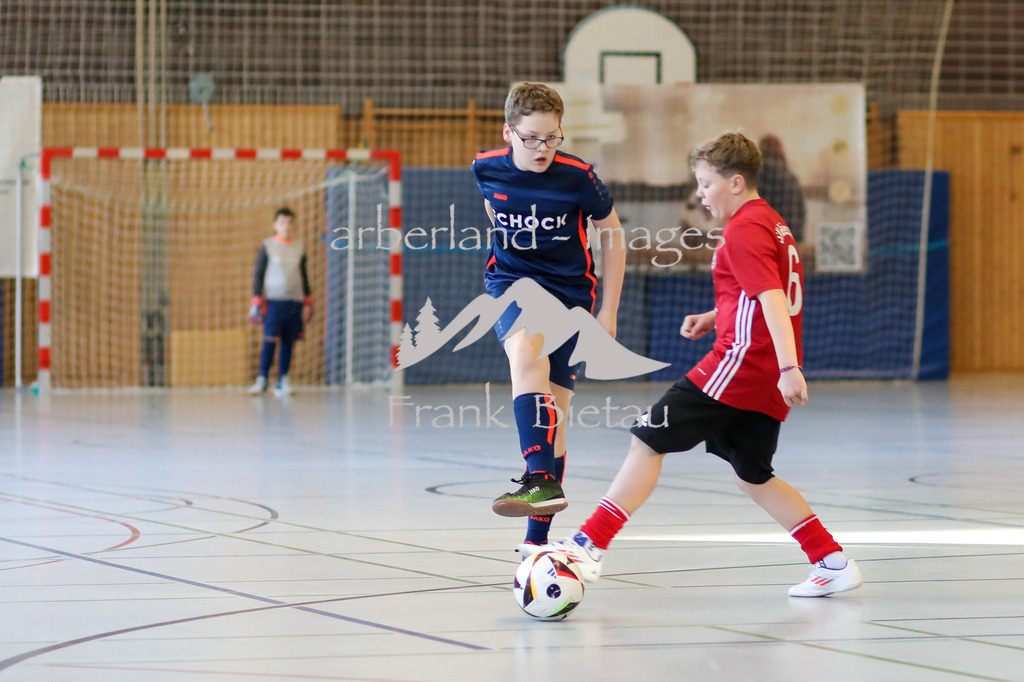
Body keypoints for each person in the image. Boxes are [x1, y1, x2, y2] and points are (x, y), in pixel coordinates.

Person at [536, 131, 862, 598]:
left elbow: (772, 298)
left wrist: (790, 367)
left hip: (742, 364)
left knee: (648, 437)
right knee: (753, 474)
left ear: (734, 182)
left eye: (706, 184)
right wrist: (716, 316)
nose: (700, 194)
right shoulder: (771, 221)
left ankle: (589, 544)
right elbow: (763, 290)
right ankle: (830, 560)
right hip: (761, 370)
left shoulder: (744, 229)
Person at [471, 82, 627, 552]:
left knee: (555, 419)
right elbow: (493, 209)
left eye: (552, 138)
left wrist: (609, 311)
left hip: (572, 296)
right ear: (509, 132)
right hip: (512, 286)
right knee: (525, 351)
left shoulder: (578, 176)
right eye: (532, 138)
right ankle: (536, 476)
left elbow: (613, 236)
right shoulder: (485, 168)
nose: (542, 148)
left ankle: (535, 542)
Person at [248, 207, 313, 397]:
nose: (286, 226)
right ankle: (262, 379)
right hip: (274, 300)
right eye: (282, 222)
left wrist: (308, 299)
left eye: (290, 222)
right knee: (270, 338)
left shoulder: (299, 246)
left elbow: (303, 275)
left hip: (294, 301)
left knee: (288, 340)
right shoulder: (267, 246)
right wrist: (256, 299)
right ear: (275, 225)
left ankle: (283, 380)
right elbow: (259, 274)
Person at [757, 134, 806, 243]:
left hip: (762, 243)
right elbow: (800, 216)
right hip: (787, 244)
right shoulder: (791, 179)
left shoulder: (755, 180)